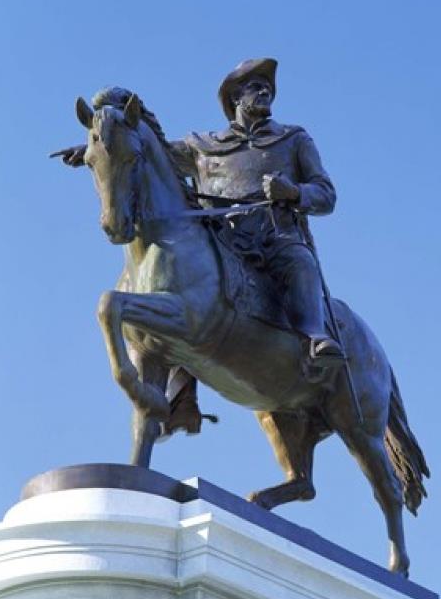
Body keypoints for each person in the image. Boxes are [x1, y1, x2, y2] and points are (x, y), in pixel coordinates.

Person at [55, 58, 344, 430]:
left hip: (273, 236)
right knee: (176, 284)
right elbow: (144, 149)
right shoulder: (204, 146)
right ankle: (181, 397)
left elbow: (326, 194)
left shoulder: (294, 140)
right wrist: (94, 149)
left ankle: (314, 336)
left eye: (267, 86)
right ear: (235, 98)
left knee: (299, 261)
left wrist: (293, 191)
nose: (265, 91)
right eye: (255, 86)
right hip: (221, 236)